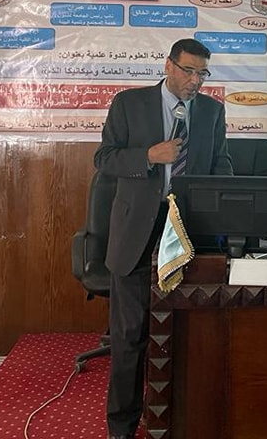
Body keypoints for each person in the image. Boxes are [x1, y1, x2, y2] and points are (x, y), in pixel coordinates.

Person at [94, 37, 233, 439]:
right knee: (129, 336)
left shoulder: (211, 111)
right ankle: (121, 427)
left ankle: (180, 418)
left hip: (190, 231)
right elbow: (104, 159)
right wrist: (148, 156)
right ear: (168, 65)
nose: (196, 81)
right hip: (137, 231)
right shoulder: (129, 104)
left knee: (190, 333)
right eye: (188, 71)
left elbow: (221, 165)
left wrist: (229, 204)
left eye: (202, 74)